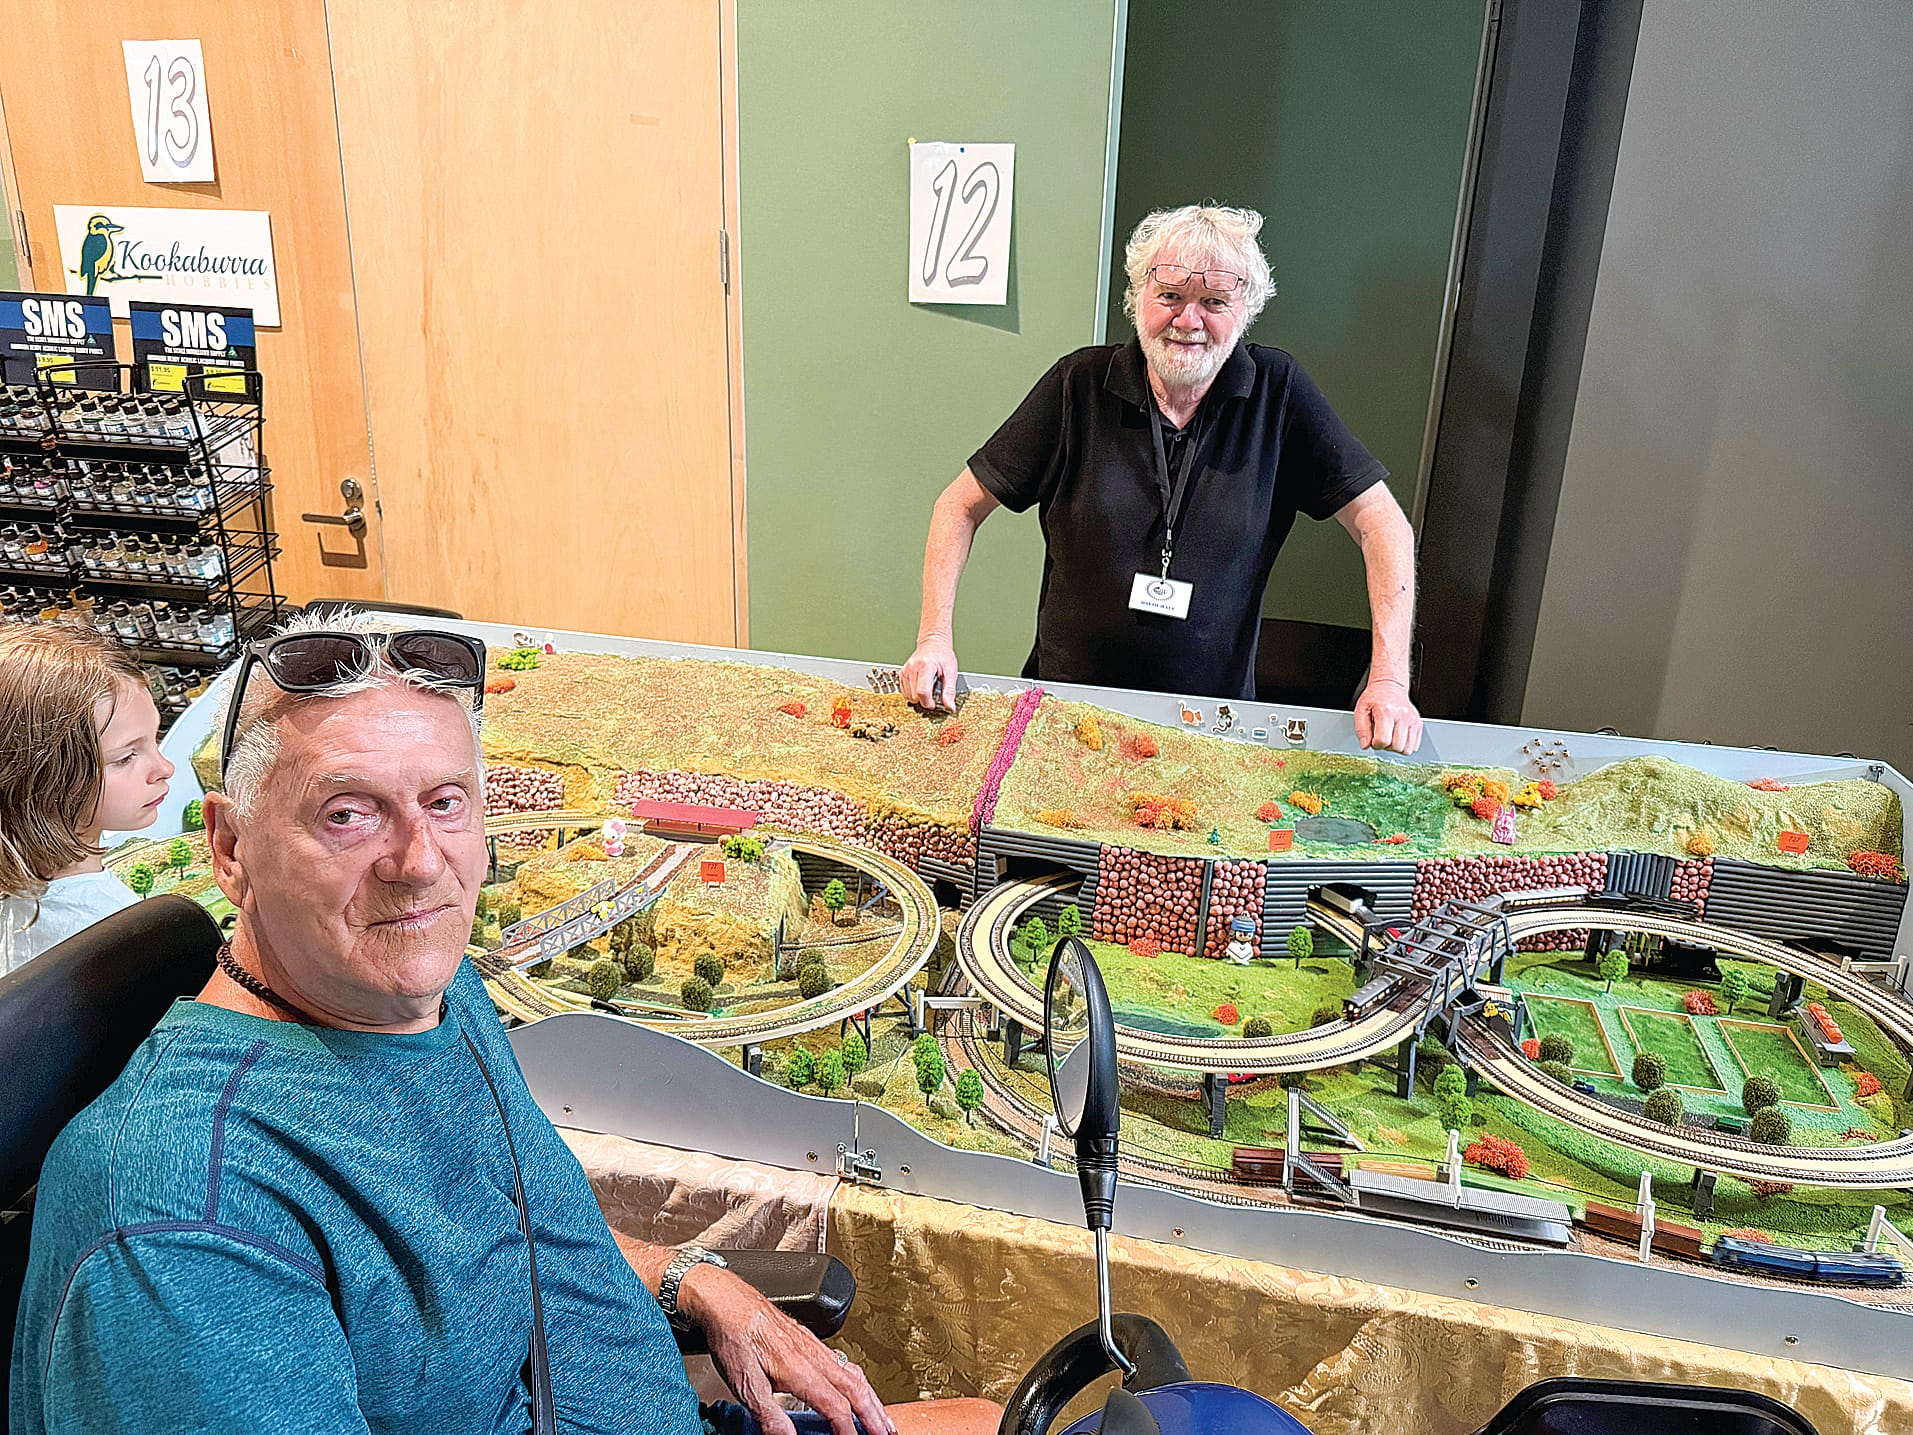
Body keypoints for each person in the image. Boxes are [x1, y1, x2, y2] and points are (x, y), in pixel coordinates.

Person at [10, 613, 997, 1435]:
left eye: (446, 803)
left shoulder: (430, 997)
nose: (418, 861)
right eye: (348, 814)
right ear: (230, 849)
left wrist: (695, 1280)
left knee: (987, 1418)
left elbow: (502, 1224)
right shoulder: (183, 1226)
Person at [901, 203, 1423, 755]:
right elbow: (958, 505)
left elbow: (1382, 522)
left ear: (1245, 309)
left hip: (1211, 734)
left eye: (1214, 302)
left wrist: (1389, 679)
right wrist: (934, 639)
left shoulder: (1280, 393)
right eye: (1170, 295)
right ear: (1137, 297)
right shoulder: (1078, 385)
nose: (1188, 321)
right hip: (1062, 721)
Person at [0, 623, 173, 974]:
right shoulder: (115, 928)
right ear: (43, 778)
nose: (164, 767)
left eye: (156, 738)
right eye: (125, 758)